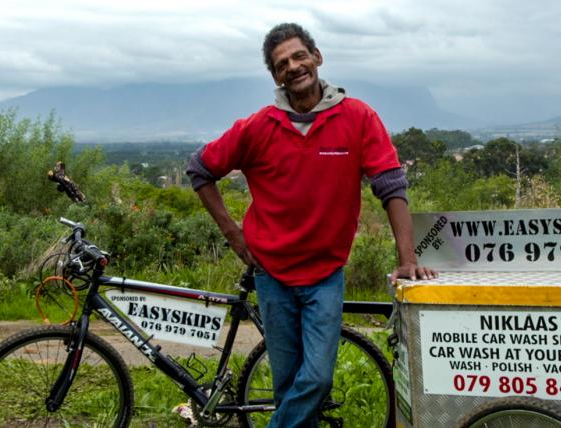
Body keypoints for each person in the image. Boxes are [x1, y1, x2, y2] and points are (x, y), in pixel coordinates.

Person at [186, 22, 436, 427]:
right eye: (282, 63)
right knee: (287, 387)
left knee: (316, 379)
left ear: (317, 58)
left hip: (325, 274)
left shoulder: (356, 117)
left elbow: (390, 184)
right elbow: (200, 169)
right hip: (272, 274)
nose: (293, 66)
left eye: (299, 56)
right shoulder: (257, 127)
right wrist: (234, 236)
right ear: (275, 76)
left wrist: (407, 257)